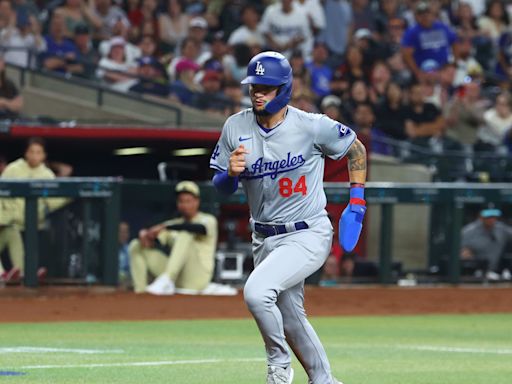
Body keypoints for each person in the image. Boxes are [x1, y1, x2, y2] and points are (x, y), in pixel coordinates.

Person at [210, 51, 367, 384]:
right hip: (263, 237)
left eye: (265, 86)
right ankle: (324, 379)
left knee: (256, 292)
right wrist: (229, 174)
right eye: (254, 85)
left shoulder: (311, 125)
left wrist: (357, 201)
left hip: (307, 232)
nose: (257, 92)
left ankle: (278, 366)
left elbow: (356, 148)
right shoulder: (234, 126)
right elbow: (221, 188)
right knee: (291, 317)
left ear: (283, 89)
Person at [129, 181, 218, 295]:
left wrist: (166, 226)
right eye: (181, 201)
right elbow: (154, 240)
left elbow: (198, 228)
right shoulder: (173, 223)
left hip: (197, 278)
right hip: (177, 278)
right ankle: (140, 291)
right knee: (135, 245)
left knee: (185, 233)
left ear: (197, 201)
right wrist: (145, 235)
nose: (184, 205)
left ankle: (167, 279)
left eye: (188, 201)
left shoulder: (208, 219)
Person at [0, 137, 66, 283]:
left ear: (44, 156)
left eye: (38, 152)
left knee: (18, 235)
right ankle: (7, 273)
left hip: (34, 226)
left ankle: (22, 272)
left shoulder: (47, 174)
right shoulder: (13, 169)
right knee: (11, 230)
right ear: (26, 153)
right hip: (9, 222)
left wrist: (69, 195)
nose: (35, 155)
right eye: (32, 151)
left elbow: (53, 202)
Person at [461, 205, 512, 281]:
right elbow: (462, 252)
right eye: (489, 217)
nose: (492, 219)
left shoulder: (502, 229)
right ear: (481, 217)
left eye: (494, 217)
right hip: (475, 272)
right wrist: (466, 253)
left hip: (497, 272)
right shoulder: (469, 231)